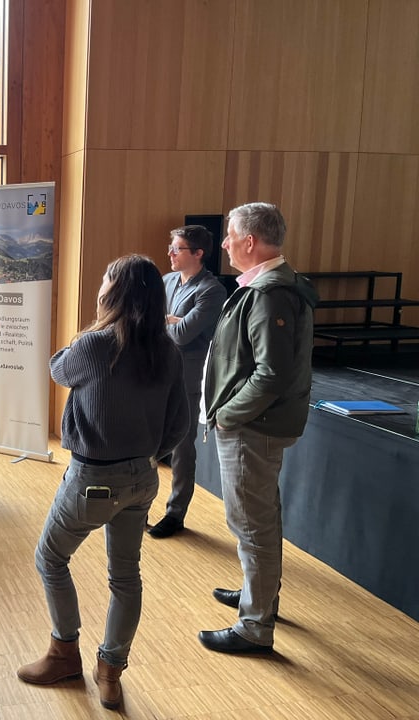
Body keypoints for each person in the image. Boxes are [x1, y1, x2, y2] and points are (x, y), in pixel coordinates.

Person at [16, 255, 187, 710]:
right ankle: (110, 674)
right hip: (142, 477)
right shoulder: (166, 350)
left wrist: (92, 325)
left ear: (117, 291)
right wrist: (148, 454)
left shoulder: (95, 345)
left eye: (106, 278)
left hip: (93, 476)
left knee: (50, 558)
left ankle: (64, 653)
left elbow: (58, 368)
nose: (100, 283)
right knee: (126, 576)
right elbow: (179, 424)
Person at [198, 202, 317, 654]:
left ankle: (255, 625)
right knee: (261, 517)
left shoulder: (270, 293)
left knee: (251, 524)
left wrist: (227, 414)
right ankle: (260, 595)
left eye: (229, 235)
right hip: (255, 425)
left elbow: (270, 374)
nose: (224, 243)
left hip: (251, 427)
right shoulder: (266, 286)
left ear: (250, 241)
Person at [147, 225, 226, 539]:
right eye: (170, 247)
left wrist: (166, 322)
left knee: (182, 447)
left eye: (176, 248)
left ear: (197, 253)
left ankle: (175, 514)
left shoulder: (212, 290)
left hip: (187, 377)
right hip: (156, 371)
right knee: (149, 442)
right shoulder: (166, 281)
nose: (169, 253)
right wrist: (170, 321)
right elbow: (150, 323)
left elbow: (183, 334)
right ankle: (140, 505)